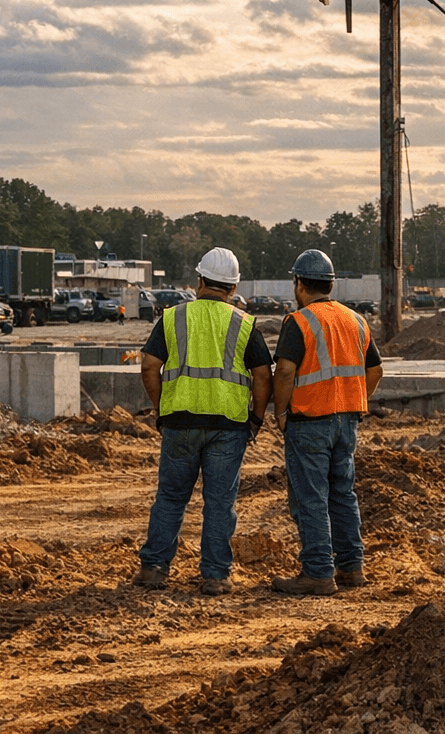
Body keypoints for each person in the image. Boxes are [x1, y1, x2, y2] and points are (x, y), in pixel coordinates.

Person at [133, 247, 272, 596]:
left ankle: (153, 570)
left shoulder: (172, 318)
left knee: (170, 497)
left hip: (179, 421)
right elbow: (262, 376)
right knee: (220, 503)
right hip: (228, 426)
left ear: (199, 281)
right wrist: (256, 418)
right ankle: (215, 575)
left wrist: (161, 407)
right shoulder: (244, 324)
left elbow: (149, 365)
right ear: (234, 287)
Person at [270, 249, 383, 596]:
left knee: (311, 497)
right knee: (342, 494)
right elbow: (374, 370)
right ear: (331, 283)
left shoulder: (299, 322)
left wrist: (281, 411)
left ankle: (318, 572)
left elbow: (286, 370)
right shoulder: (356, 320)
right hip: (346, 421)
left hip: (309, 421)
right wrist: (355, 400)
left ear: (299, 283)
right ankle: (352, 567)